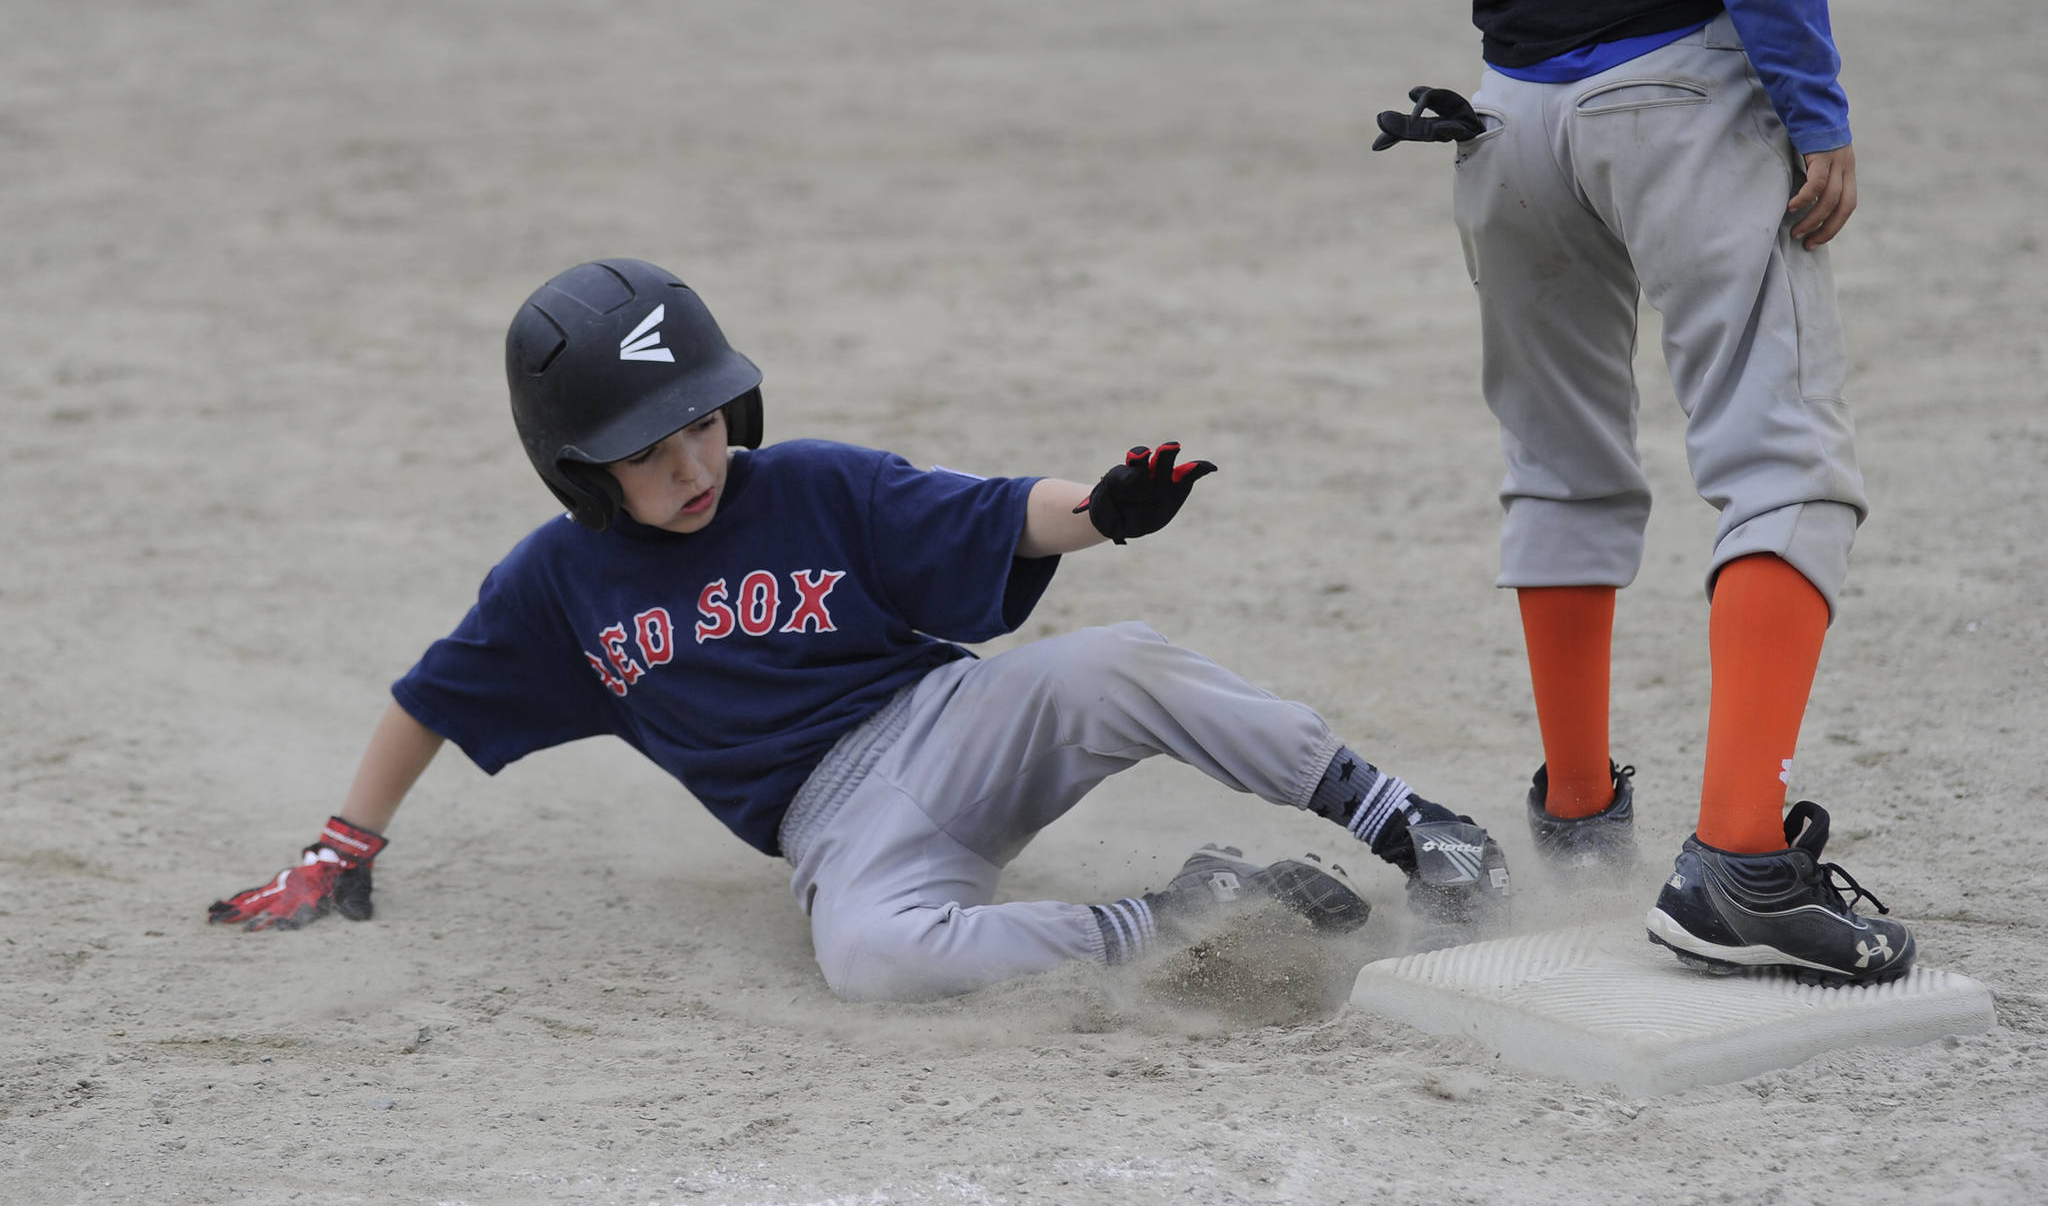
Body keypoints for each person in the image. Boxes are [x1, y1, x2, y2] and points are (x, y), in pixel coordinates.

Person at [208, 257, 1512, 1002]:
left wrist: (1103, 512)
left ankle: (1406, 821)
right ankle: (1185, 916)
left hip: (950, 726)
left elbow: (998, 517)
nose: (693, 463)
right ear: (574, 469)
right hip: (835, 835)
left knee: (1116, 661)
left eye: (705, 422)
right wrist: (341, 847)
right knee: (872, 962)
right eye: (649, 454)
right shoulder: (557, 585)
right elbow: (430, 697)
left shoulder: (813, 485)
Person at [1370, 0, 1914, 985]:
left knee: (1555, 464)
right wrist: (1813, 105)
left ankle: (1579, 823)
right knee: (1783, 467)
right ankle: (1741, 863)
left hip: (1505, 113)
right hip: (1675, 89)